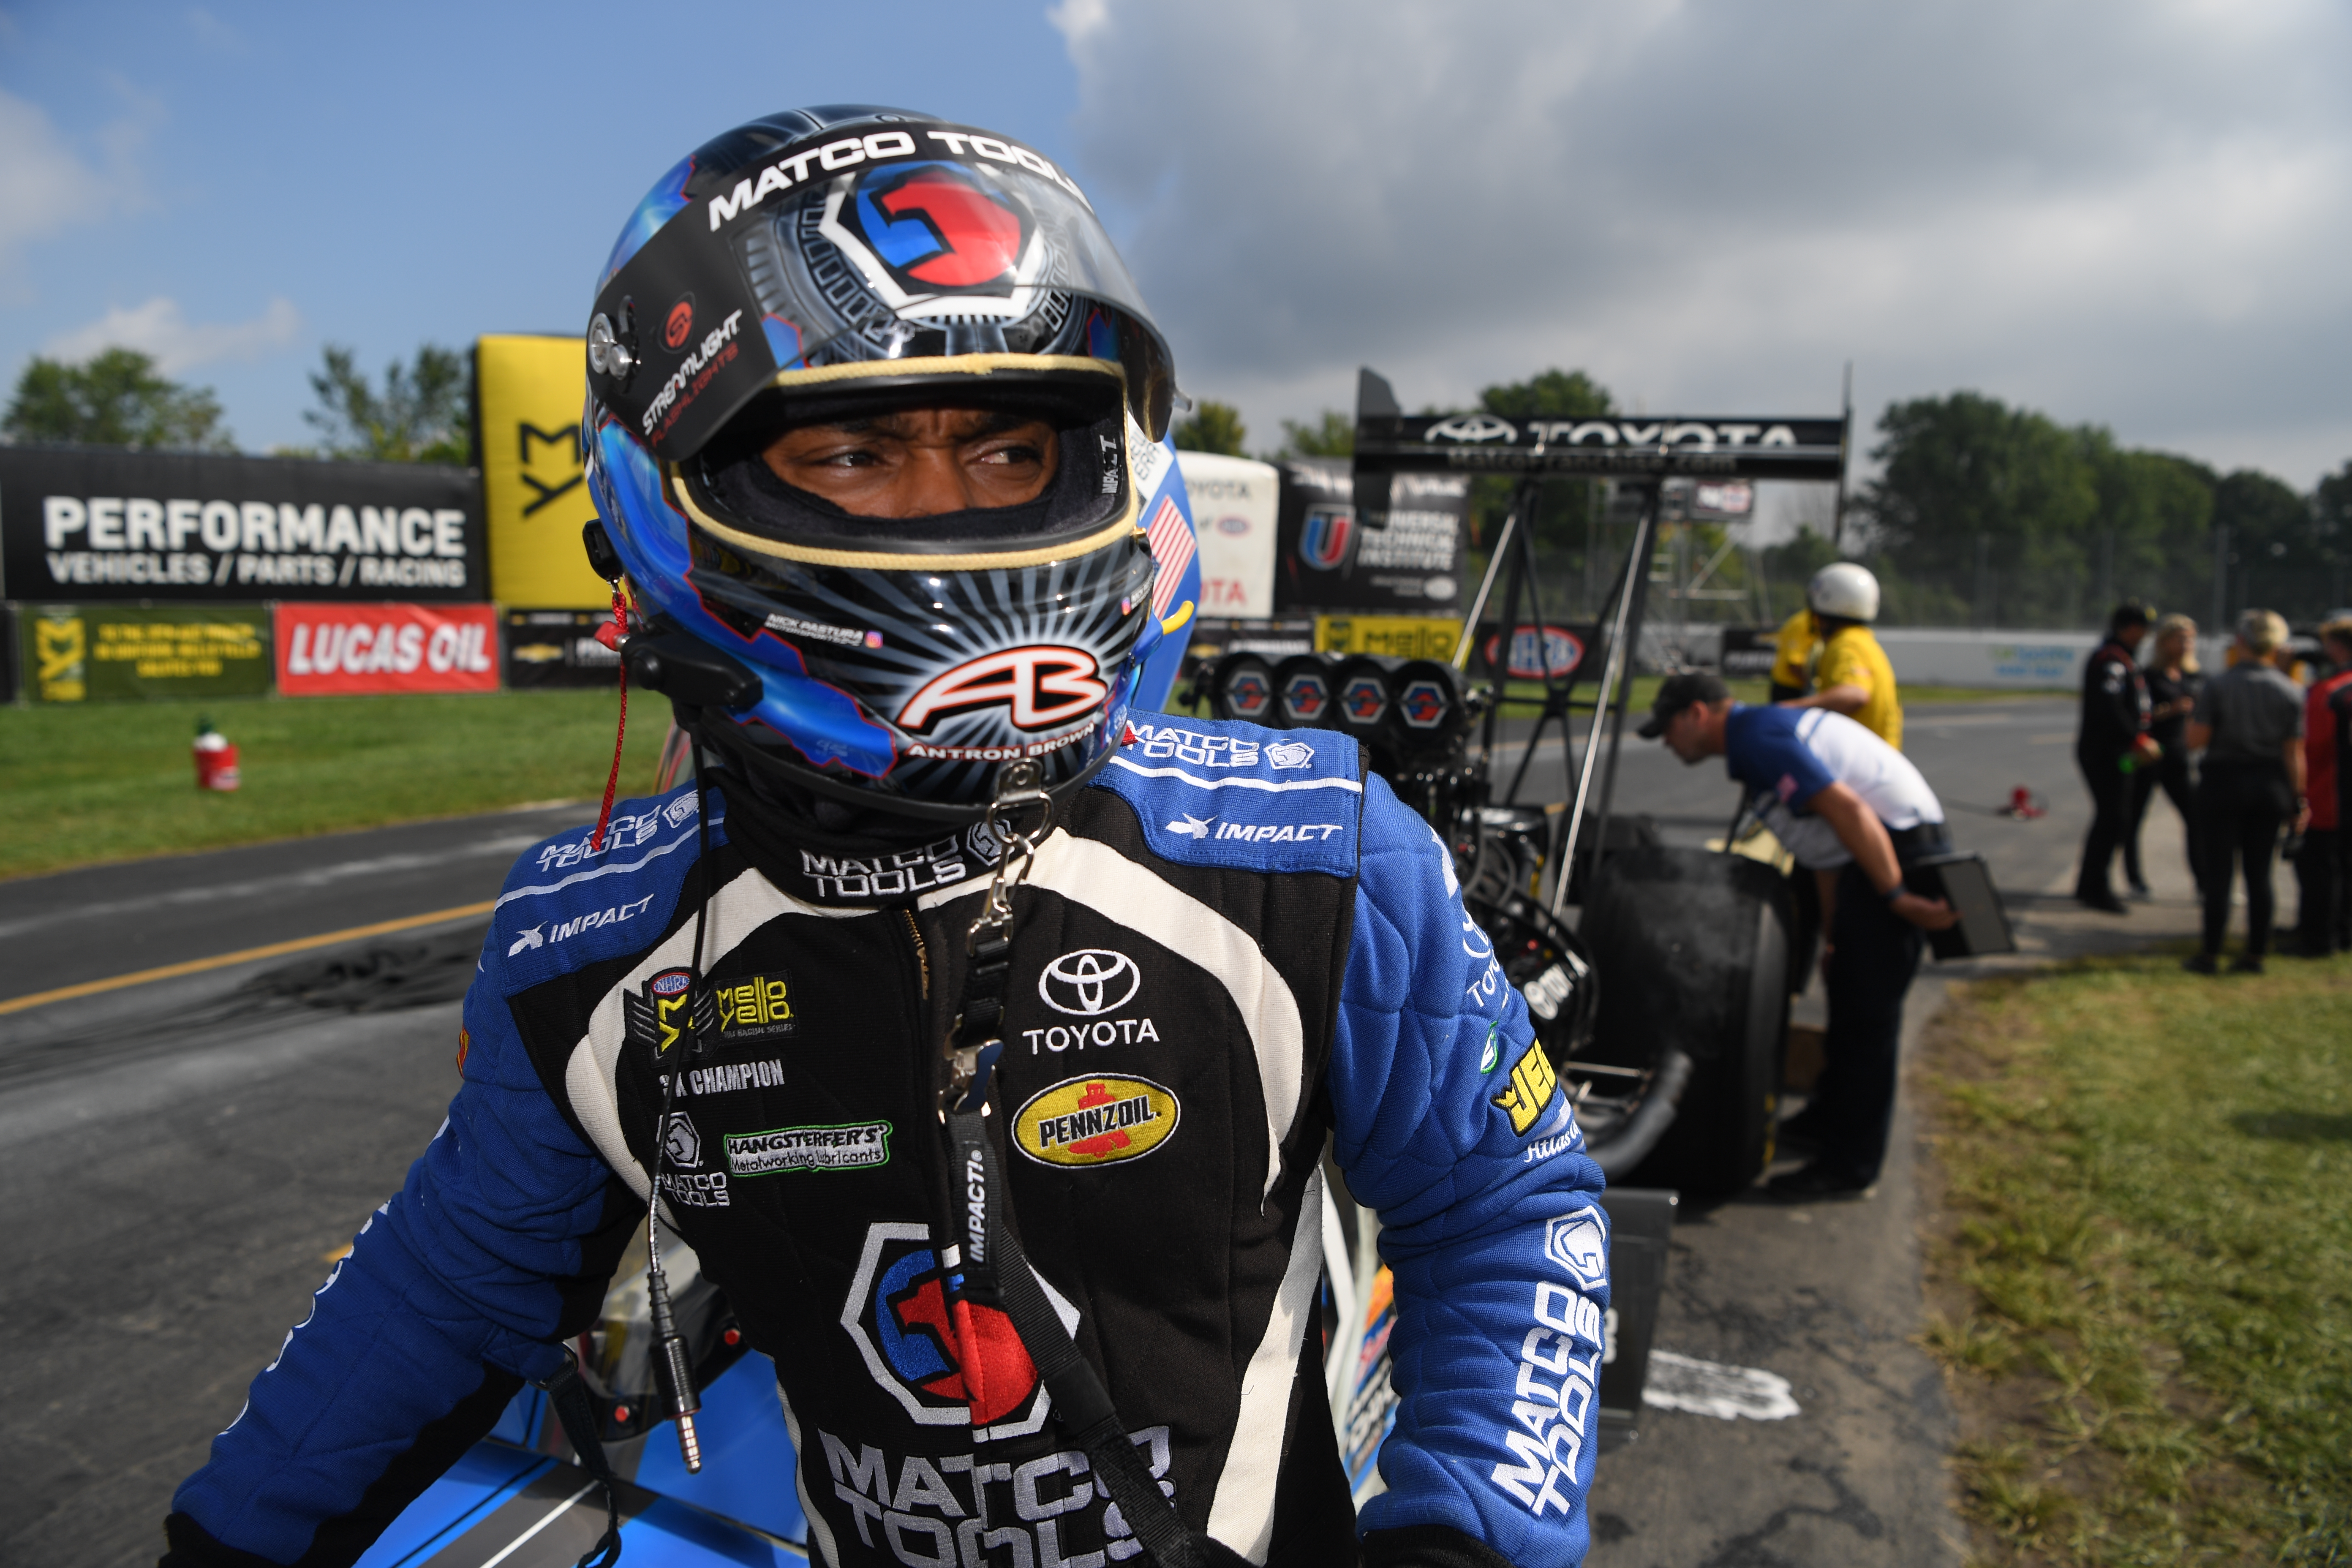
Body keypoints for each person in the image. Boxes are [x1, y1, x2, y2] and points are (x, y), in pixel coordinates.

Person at [160, 109, 1609, 1568]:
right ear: (666, 493)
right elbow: (446, 1289)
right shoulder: (588, 947)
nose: (945, 506)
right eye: (853, 449)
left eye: (1004, 447)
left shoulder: (1308, 854)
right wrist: (220, 1543)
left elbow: (1507, 1211)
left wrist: (1464, 1537)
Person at [1642, 672, 1958, 1200]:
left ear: (1697, 713)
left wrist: (1896, 896)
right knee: (1849, 1002)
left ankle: (1850, 1166)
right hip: (1867, 858)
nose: (1668, 744)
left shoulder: (1755, 736)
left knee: (1867, 1024)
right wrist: (1835, 936)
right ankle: (1829, 1119)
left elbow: (1850, 811)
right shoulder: (1758, 735)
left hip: (1891, 854)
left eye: (1669, 730)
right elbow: (1825, 852)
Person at [2185, 609, 2307, 974]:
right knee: (2260, 873)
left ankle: (2210, 952)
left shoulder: (2219, 685)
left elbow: (2197, 740)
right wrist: (2299, 799)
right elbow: (2294, 753)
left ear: (2240, 642)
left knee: (2221, 872)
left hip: (2224, 780)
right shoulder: (2290, 690)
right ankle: (2255, 954)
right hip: (2269, 785)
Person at [2073, 603, 2159, 913]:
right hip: (2107, 753)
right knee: (2114, 818)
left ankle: (2089, 884)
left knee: (2113, 818)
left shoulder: (2121, 658)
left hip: (2118, 754)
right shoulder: (2110, 660)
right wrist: (2137, 739)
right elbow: (2109, 707)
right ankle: (2096, 887)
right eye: (2143, 628)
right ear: (2130, 628)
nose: (2147, 635)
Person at [1778, 562, 1901, 749]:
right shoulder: (1862, 641)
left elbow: (1855, 695)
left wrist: (1789, 710)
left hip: (1863, 768)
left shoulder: (1846, 645)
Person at [2123, 613, 2203, 900]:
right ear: (2164, 642)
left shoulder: (2192, 677)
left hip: (2179, 757)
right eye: (2181, 638)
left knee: (2196, 819)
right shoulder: (2148, 676)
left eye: (2190, 639)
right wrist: (2169, 710)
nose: (2187, 644)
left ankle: (2204, 883)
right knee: (2133, 819)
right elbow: (2138, 717)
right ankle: (2135, 881)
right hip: (2149, 756)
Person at [2289, 618, 2352, 953]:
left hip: (2329, 795)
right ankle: (2344, 933)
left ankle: (2318, 939)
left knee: (2320, 870)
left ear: (2337, 647)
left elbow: (2310, 747)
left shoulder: (2328, 693)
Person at [1767, 605, 1817, 703]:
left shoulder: (1811, 620)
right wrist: (1814, 686)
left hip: (1798, 687)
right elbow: (1794, 665)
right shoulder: (1803, 623)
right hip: (1789, 689)